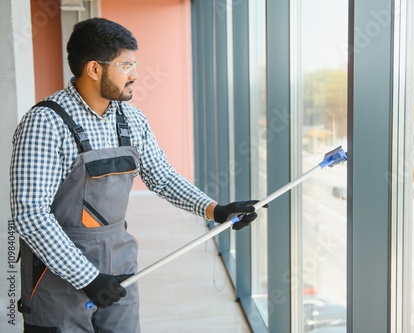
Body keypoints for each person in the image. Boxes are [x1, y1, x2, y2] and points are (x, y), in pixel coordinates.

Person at [10, 17, 259, 333]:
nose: (136, 75)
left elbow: (162, 176)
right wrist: (86, 277)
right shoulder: (45, 124)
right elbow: (30, 215)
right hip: (57, 276)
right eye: (126, 66)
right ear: (94, 69)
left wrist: (215, 209)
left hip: (119, 265)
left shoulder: (131, 119)